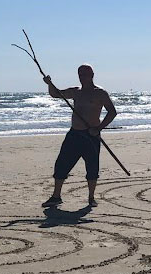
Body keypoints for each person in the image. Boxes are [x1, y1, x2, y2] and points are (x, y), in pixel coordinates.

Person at [41, 64, 117, 208]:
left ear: (92, 75)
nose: (82, 77)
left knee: (92, 168)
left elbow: (112, 112)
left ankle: (91, 198)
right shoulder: (76, 92)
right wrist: (49, 84)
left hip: (91, 135)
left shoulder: (100, 93)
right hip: (74, 134)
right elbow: (56, 94)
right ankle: (56, 196)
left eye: (85, 74)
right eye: (80, 74)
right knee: (61, 165)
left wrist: (99, 128)